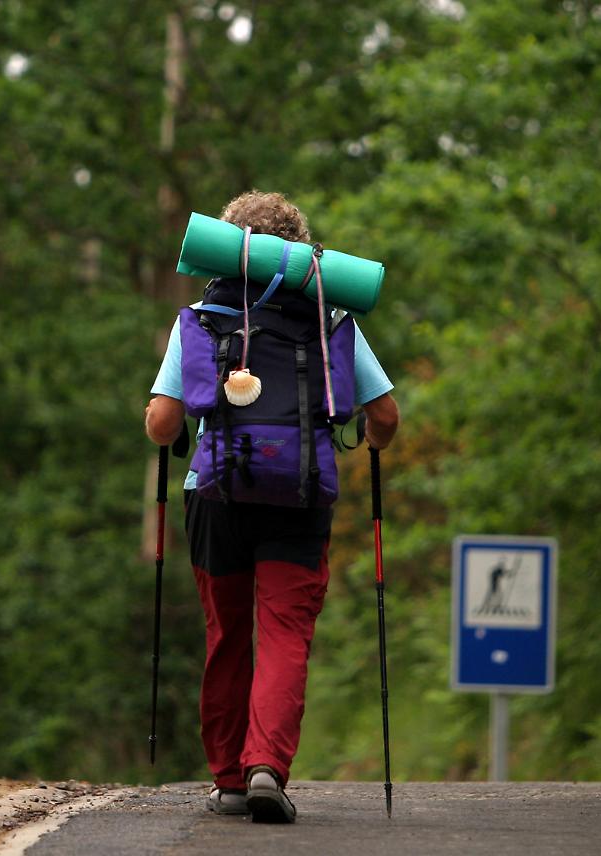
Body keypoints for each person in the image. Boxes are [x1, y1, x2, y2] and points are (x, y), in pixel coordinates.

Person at [144, 190, 399, 823]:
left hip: (216, 494)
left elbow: (163, 424)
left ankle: (230, 779)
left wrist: (174, 421)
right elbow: (387, 416)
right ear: (299, 252)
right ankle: (267, 767)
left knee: (228, 635)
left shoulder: (201, 318)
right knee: (284, 633)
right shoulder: (328, 319)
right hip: (300, 494)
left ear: (227, 250)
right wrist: (368, 440)